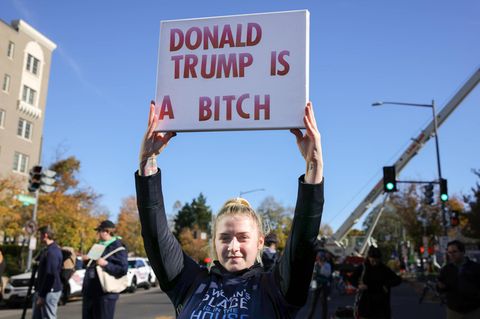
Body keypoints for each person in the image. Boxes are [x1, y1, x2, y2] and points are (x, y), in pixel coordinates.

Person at [135, 101, 324, 318]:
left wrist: (314, 165)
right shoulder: (189, 283)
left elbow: (303, 242)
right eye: (224, 238)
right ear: (214, 241)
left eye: (243, 237)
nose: (233, 247)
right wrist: (147, 162)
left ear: (260, 241)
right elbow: (155, 236)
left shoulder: (275, 289)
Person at [82, 220, 128, 319]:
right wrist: (86, 260)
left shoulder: (118, 247)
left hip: (105, 294)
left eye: (99, 231)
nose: (97, 234)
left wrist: (106, 264)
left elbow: (123, 269)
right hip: (90, 292)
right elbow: (91, 265)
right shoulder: (99, 246)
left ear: (107, 232)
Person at [351, 246, 401, 319]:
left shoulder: (384, 269)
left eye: (376, 260)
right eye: (372, 260)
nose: (374, 263)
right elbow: (352, 278)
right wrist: (358, 285)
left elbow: (397, 279)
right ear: (368, 258)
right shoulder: (363, 267)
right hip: (366, 303)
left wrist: (386, 285)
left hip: (381, 304)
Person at [437, 240, 480, 319]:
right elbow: (441, 288)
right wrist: (440, 287)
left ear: (462, 252)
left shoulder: (475, 268)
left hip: (473, 309)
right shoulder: (446, 270)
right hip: (454, 310)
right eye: (449, 252)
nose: (451, 255)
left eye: (454, 252)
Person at [32, 226, 63, 319]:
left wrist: (42, 296)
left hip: (49, 292)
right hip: (43, 291)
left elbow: (50, 275)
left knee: (48, 317)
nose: (38, 237)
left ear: (45, 235)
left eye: (39, 235)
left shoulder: (52, 252)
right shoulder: (47, 250)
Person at [307, 252, 332, 319]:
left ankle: (324, 317)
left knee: (324, 303)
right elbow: (313, 276)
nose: (320, 260)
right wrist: (313, 286)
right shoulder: (315, 265)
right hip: (316, 285)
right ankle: (309, 317)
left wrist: (322, 266)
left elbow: (327, 274)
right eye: (319, 258)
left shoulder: (327, 265)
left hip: (324, 286)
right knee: (313, 304)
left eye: (321, 258)